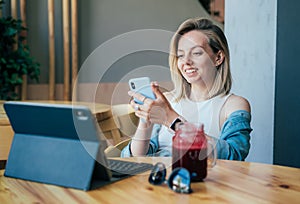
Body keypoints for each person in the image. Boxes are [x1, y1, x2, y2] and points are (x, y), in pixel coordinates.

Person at [121, 17, 252, 160]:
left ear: (218, 57)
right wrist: (145, 120)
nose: (186, 62)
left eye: (196, 53)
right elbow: (137, 157)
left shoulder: (233, 105)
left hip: (203, 179)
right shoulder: (168, 100)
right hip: (158, 177)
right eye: (181, 55)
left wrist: (171, 119)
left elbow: (234, 155)